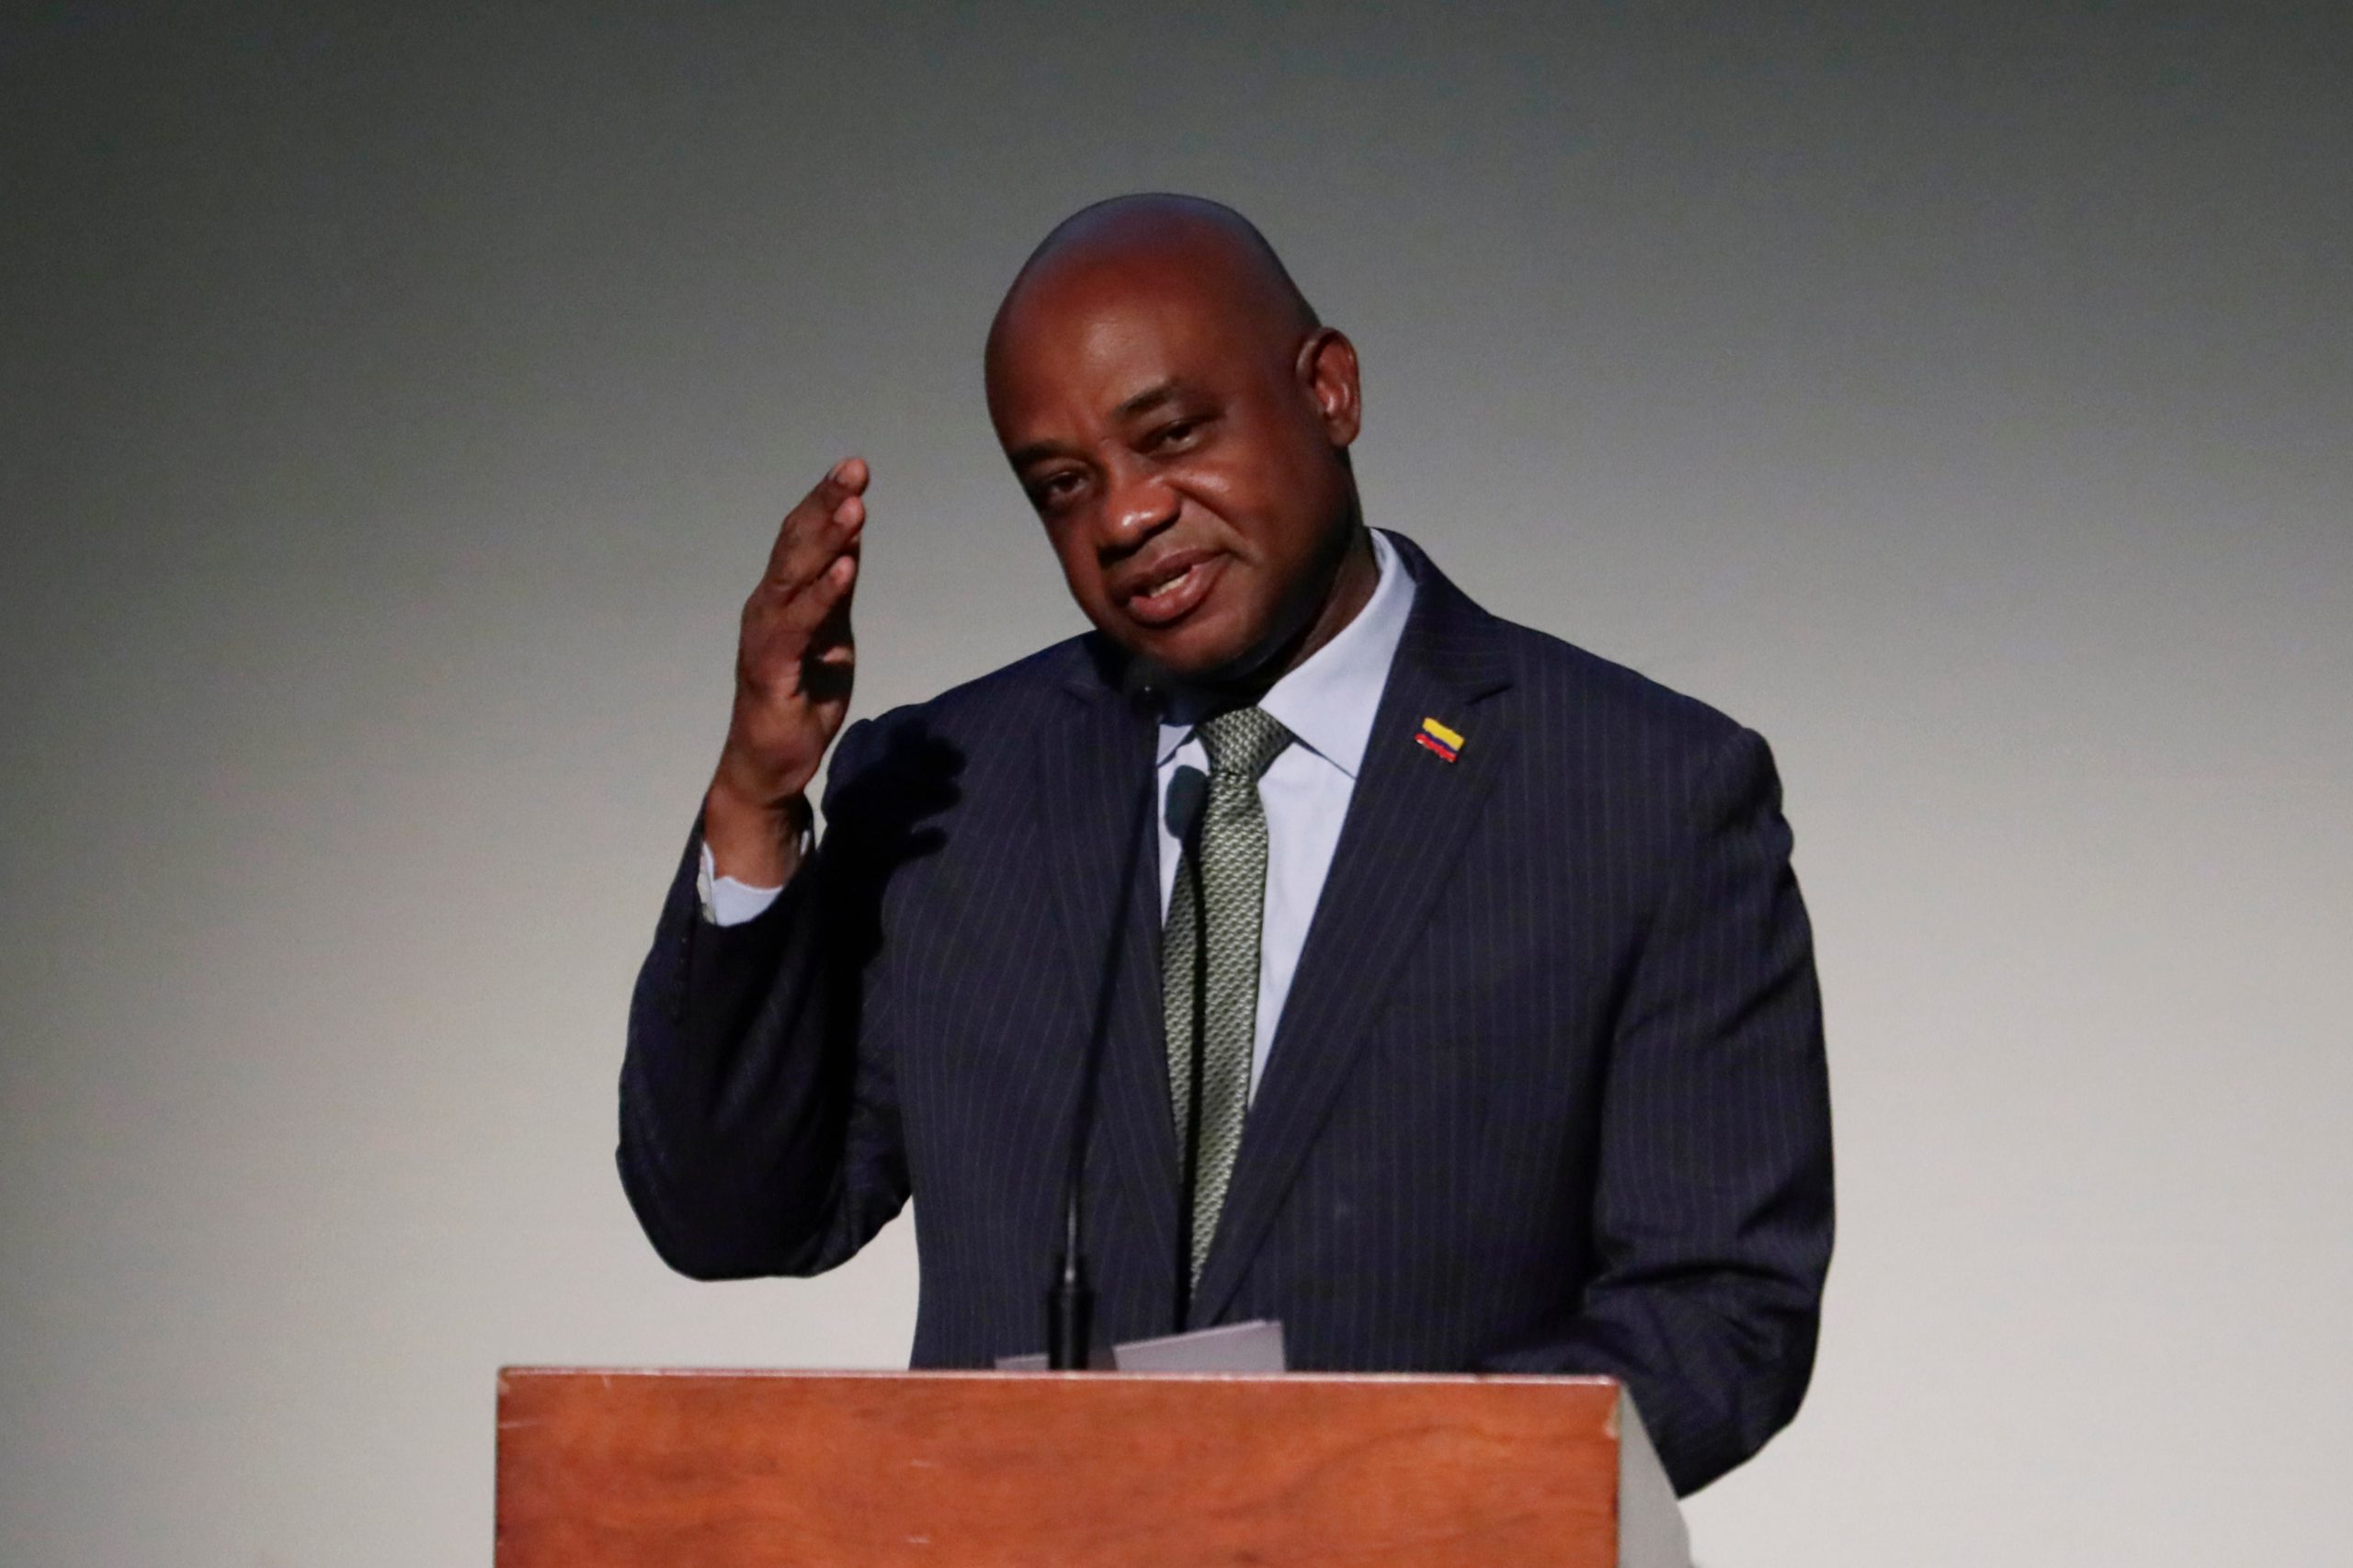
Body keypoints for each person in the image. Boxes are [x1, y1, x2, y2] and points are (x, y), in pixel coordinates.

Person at [620, 194, 1833, 1494]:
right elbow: (733, 1213)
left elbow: (1723, 1312)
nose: (1125, 517)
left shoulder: (1639, 792)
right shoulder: (952, 789)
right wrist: (757, 800)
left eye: (1170, 437)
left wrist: (1366, 1489)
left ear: (1328, 390)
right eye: (1064, 485)